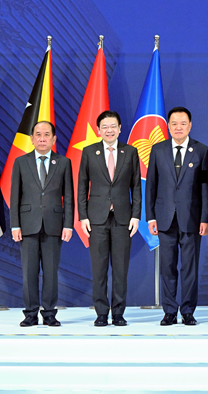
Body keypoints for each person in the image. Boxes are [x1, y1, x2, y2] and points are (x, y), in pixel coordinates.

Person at [145, 106, 208, 326]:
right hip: (164, 218)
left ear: (190, 126)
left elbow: (205, 187)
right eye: (174, 123)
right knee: (167, 267)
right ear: (168, 126)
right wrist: (151, 216)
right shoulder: (158, 150)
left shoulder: (202, 151)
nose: (178, 127)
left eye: (183, 123)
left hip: (192, 218)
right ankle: (170, 311)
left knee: (189, 267)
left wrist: (205, 218)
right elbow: (151, 184)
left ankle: (188, 311)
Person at [78, 110, 141, 327]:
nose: (109, 130)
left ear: (120, 128)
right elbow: (81, 185)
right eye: (105, 127)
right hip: (96, 218)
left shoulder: (130, 152)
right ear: (98, 130)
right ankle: (102, 313)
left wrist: (136, 215)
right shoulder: (89, 152)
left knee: (121, 269)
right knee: (99, 269)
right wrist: (83, 216)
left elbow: (136, 186)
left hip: (123, 218)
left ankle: (119, 313)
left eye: (113, 126)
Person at [9, 121, 73, 327]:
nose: (42, 138)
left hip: (54, 225)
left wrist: (68, 224)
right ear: (32, 138)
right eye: (38, 134)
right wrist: (15, 225)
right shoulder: (21, 162)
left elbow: (69, 196)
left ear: (54, 139)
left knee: (51, 273)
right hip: (27, 225)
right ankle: (30, 314)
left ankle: (49, 314)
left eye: (47, 134)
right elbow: (14, 196)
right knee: (29, 273)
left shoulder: (63, 162)